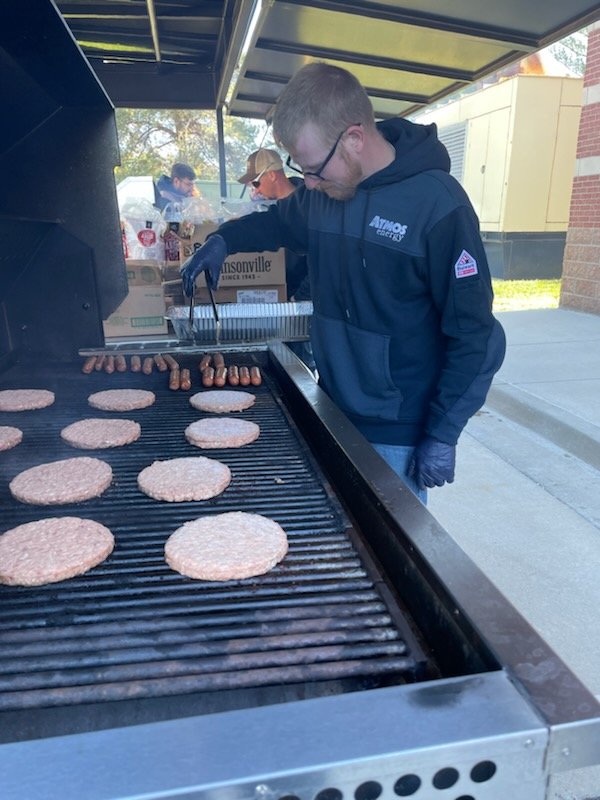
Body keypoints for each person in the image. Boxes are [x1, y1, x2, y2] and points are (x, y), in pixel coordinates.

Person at [181, 63, 506, 503]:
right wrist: (225, 239)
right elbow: (278, 221)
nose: (308, 182)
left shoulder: (438, 206)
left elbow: (475, 335)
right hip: (330, 406)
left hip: (398, 431)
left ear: (354, 138)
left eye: (313, 168)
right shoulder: (321, 196)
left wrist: (444, 431)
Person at [237, 148, 310, 302]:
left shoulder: (308, 204)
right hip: (278, 293)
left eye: (256, 183)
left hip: (302, 300)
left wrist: (299, 298)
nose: (255, 190)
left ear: (271, 175)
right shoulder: (269, 208)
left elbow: (321, 261)